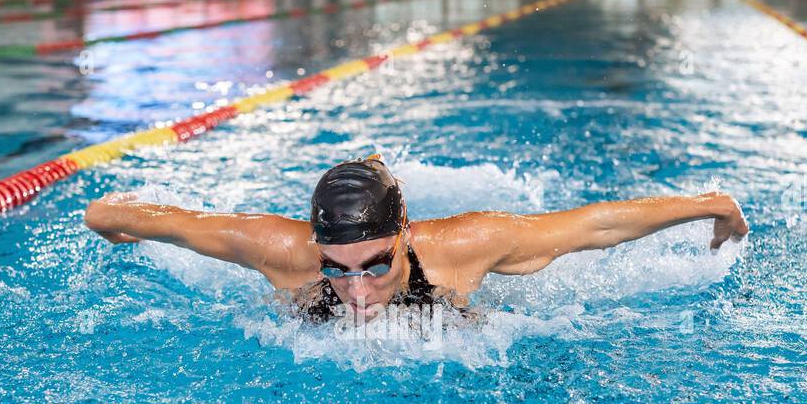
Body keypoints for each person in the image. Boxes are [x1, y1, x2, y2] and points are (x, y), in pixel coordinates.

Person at [84, 155, 749, 322]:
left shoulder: (460, 246)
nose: (357, 291)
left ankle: (379, 171)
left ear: (403, 237)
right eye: (336, 271)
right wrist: (113, 220)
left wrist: (709, 206)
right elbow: (155, 220)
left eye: (375, 265)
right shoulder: (280, 252)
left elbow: (595, 226)